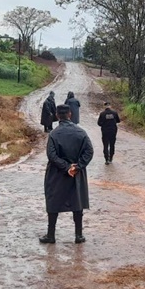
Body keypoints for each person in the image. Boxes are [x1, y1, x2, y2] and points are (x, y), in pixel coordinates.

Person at [41, 104, 94, 244]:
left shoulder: (54, 134)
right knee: (77, 202)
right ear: (70, 114)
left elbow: (51, 155)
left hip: (57, 174)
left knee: (53, 202)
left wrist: (66, 167)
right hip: (76, 174)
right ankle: (78, 235)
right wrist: (77, 167)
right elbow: (89, 151)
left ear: (57, 115)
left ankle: (50, 235)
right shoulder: (81, 133)